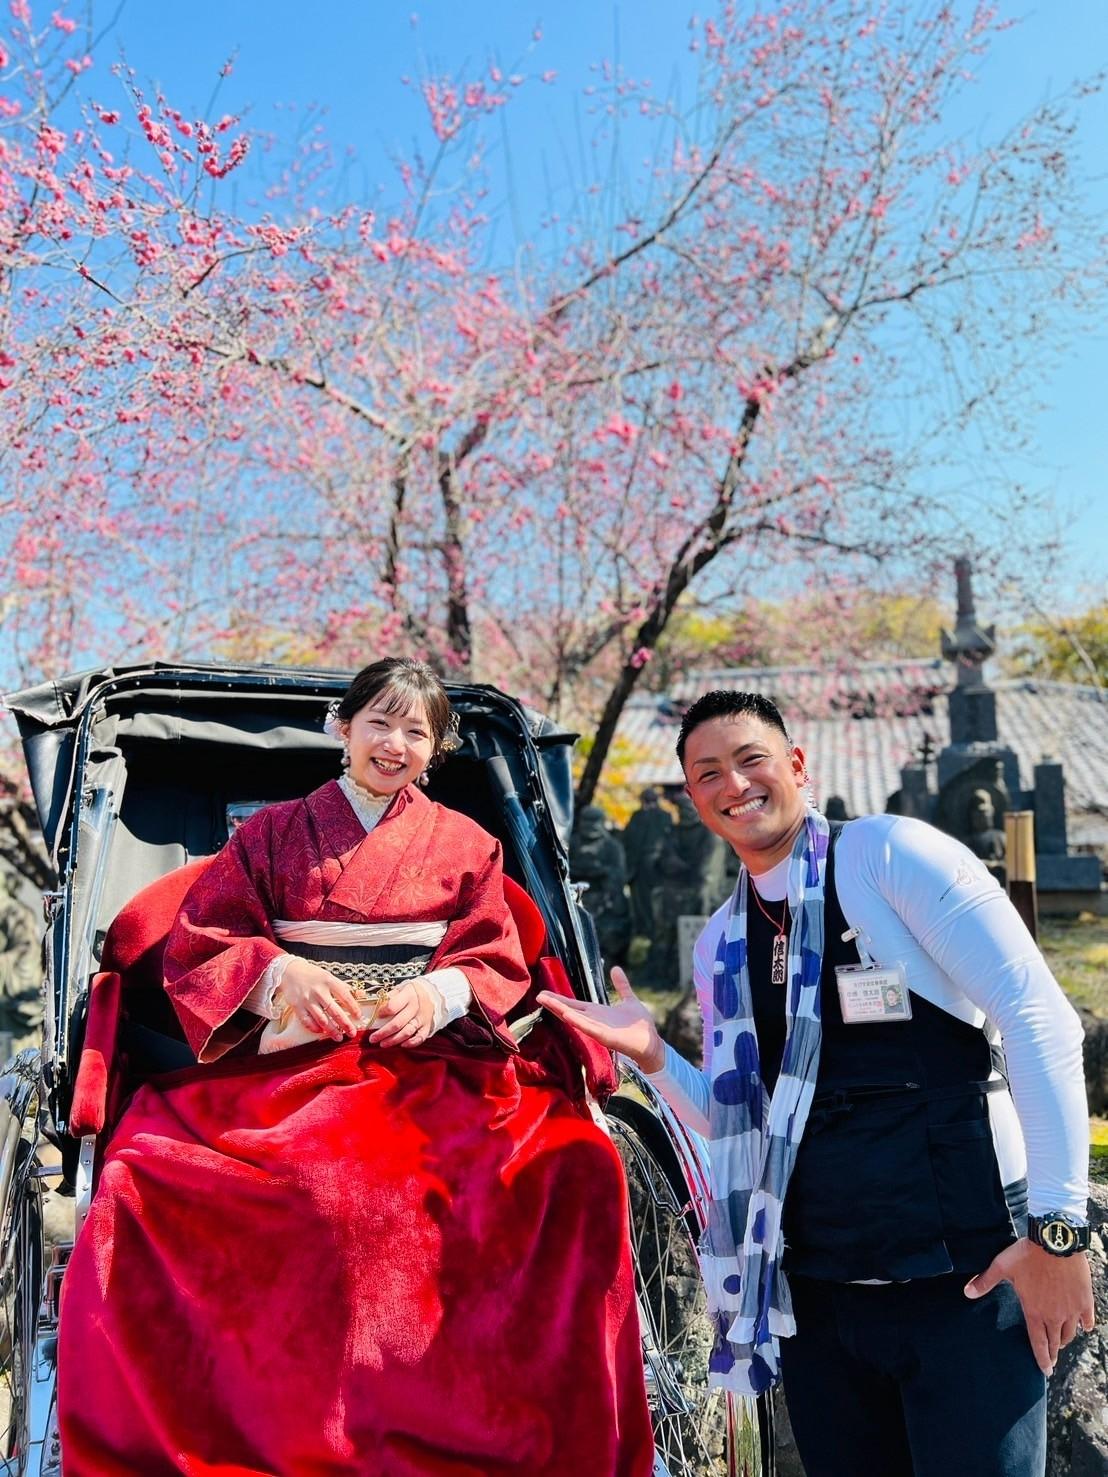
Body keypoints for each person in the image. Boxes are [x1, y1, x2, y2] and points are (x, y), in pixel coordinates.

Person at [58, 658, 654, 1477]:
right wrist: (280, 975)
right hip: (293, 1062)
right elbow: (207, 936)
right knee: (198, 1182)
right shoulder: (271, 834)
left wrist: (442, 992)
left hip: (431, 1063)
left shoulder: (468, 843)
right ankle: (279, 1428)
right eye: (380, 722)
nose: (394, 743)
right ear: (342, 725)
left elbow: (494, 951)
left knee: (570, 1163)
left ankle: (494, 1422)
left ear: (436, 749)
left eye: (416, 731)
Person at [539, 689, 1095, 1477]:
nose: (735, 784)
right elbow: (741, 1120)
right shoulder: (722, 941)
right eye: (708, 773)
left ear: (798, 764)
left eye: (751, 759)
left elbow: (1040, 1018)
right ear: (692, 797)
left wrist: (1058, 1231)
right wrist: (655, 1055)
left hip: (965, 1273)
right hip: (822, 1293)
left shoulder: (886, 856)